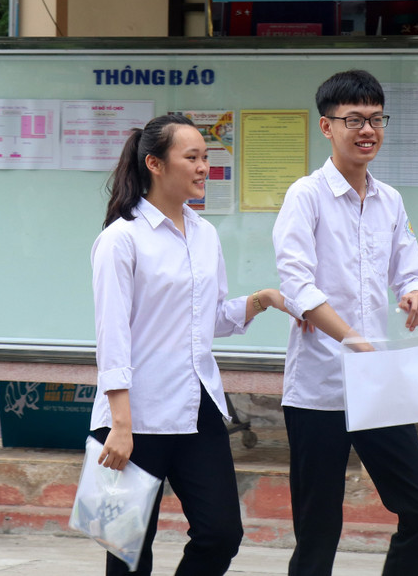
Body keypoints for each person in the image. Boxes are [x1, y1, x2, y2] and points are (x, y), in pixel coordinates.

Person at [91, 114, 288, 576]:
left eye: (207, 157)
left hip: (196, 406)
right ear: (156, 164)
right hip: (133, 413)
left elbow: (210, 318)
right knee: (128, 548)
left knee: (222, 533)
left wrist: (262, 300)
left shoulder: (205, 234)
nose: (204, 167)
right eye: (193, 157)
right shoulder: (121, 239)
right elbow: (112, 336)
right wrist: (121, 424)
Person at [272, 69, 418, 576]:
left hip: (378, 384)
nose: (367, 130)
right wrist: (351, 339)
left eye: (375, 119)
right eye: (354, 120)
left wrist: (416, 292)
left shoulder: (390, 199)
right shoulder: (305, 196)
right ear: (327, 127)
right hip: (319, 387)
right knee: (319, 528)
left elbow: (409, 266)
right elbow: (298, 286)